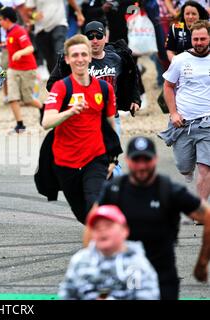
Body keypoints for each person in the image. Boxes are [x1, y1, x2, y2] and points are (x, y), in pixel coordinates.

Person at [92, 136, 210, 300]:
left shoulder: (169, 190)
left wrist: (202, 263)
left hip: (161, 277)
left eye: (146, 160)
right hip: (123, 274)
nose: (141, 166)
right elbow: (93, 224)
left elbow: (207, 216)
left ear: (155, 159)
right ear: (127, 160)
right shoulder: (114, 190)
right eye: (136, 160)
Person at [41, 34, 117, 224]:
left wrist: (113, 157)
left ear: (90, 57)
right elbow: (46, 121)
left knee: (95, 207)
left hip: (95, 157)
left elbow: (110, 125)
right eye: (75, 55)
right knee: (84, 216)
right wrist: (70, 112)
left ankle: (104, 248)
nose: (80, 59)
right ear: (67, 59)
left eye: (84, 54)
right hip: (66, 162)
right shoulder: (61, 87)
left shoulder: (104, 88)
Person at [47, 20, 141, 138]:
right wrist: (69, 102)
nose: (95, 40)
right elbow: (52, 84)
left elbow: (130, 78)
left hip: (111, 115)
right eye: (90, 37)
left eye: (99, 36)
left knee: (112, 152)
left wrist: (134, 99)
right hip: (84, 118)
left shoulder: (117, 58)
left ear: (105, 37)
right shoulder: (77, 61)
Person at [59, 205, 160, 300]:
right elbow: (67, 294)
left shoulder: (137, 264)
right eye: (96, 227)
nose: (102, 230)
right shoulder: (80, 261)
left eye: (108, 225)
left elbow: (148, 296)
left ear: (125, 231)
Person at [159, 20, 210, 199]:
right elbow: (168, 86)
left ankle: (202, 210)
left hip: (207, 123)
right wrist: (173, 113)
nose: (199, 43)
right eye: (196, 39)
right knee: (184, 166)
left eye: (203, 38)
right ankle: (187, 170)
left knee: (205, 169)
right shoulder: (180, 60)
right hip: (184, 123)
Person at [0, 6, 42, 133]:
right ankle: (20, 125)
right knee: (12, 97)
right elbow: (11, 42)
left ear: (7, 20)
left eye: (0, 19)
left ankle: (44, 108)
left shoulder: (19, 31)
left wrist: (20, 53)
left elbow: (30, 48)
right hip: (13, 69)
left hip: (27, 69)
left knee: (28, 99)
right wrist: (1, 45)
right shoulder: (9, 32)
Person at [25, 0, 85, 73]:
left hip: (59, 24)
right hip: (41, 29)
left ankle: (66, 76)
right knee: (50, 61)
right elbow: (27, 11)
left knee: (59, 52)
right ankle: (56, 81)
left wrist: (79, 12)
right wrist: (34, 15)